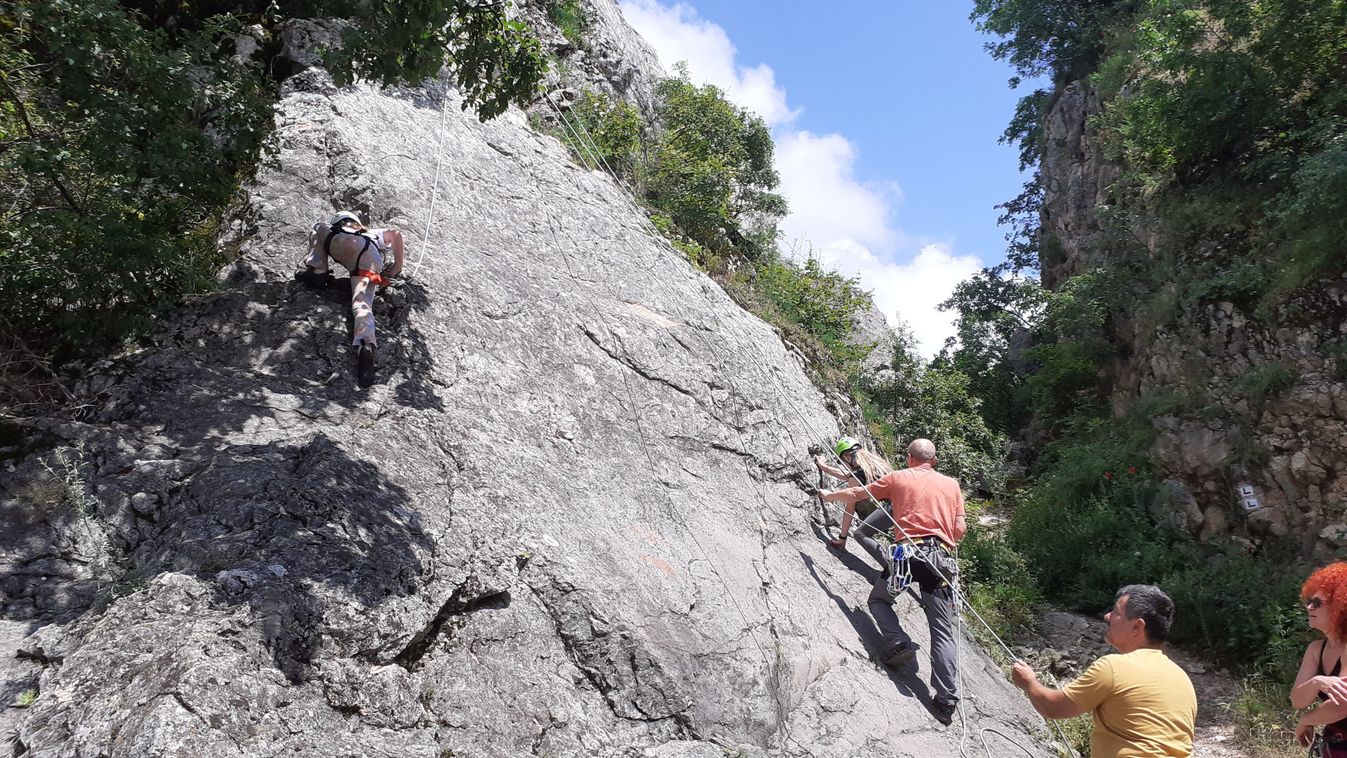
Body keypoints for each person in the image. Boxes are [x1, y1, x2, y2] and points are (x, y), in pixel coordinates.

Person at [820, 438, 965, 725]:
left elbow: (857, 493)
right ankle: (946, 701)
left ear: (910, 457)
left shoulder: (899, 477)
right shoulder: (952, 486)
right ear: (933, 460)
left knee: (879, 599)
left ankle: (898, 641)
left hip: (906, 556)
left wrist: (828, 496)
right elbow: (959, 529)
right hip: (940, 562)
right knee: (942, 632)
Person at [1011, 585, 1197, 758]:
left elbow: (1054, 707)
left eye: (1116, 612)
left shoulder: (1113, 667)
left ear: (1136, 627)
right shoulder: (1182, 679)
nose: (1107, 616)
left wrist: (1029, 682)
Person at [297, 211, 405, 388]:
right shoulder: (370, 233)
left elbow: (324, 234)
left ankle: (318, 271)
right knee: (361, 305)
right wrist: (396, 267)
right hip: (369, 259)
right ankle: (366, 345)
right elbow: (396, 235)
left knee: (317, 227)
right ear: (356, 222)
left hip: (339, 241)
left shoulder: (336, 228)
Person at [1291, 562, 1347, 757]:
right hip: (1335, 745)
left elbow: (1341, 707)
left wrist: (1306, 720)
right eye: (1309, 601)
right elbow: (1297, 700)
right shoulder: (1316, 649)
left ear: (1339, 607)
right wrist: (1318, 682)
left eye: (1317, 603)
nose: (1308, 607)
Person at [814, 436, 893, 569]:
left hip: (885, 516)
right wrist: (824, 467)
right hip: (902, 509)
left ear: (846, 457)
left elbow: (849, 507)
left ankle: (891, 569)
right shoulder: (878, 465)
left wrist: (842, 538)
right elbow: (849, 475)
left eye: (842, 461)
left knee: (860, 534)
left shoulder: (858, 474)